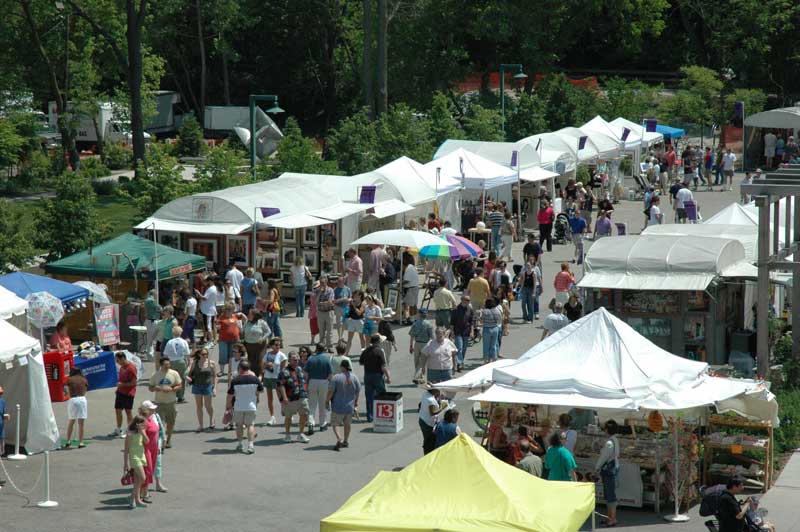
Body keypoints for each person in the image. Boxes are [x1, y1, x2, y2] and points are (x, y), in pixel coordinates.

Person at [225, 359, 261, 454]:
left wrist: (228, 406)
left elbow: (230, 394)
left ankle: (240, 444)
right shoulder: (255, 379)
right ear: (248, 368)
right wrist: (255, 395)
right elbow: (260, 390)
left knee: (239, 426)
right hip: (251, 406)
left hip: (238, 406)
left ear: (240, 368)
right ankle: (250, 446)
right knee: (250, 425)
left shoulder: (235, 380)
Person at [327, 358, 361, 451]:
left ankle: (339, 438)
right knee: (347, 424)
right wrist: (356, 403)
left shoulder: (336, 377)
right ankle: (346, 440)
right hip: (349, 407)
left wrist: (327, 400)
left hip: (337, 406)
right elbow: (357, 391)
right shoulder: (354, 377)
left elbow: (331, 391)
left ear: (342, 367)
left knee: (335, 424)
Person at [278, 352, 311, 443]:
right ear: (289, 360)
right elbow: (281, 385)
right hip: (290, 398)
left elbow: (303, 381)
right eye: (294, 358)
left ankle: (300, 434)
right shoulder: (284, 372)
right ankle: (287, 435)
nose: (296, 360)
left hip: (302, 396)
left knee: (304, 415)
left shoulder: (300, 369)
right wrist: (284, 397)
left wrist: (306, 391)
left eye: (297, 358)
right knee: (288, 417)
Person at [148, 357, 181, 448]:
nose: (168, 366)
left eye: (168, 364)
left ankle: (168, 439)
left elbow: (179, 385)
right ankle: (161, 441)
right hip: (159, 402)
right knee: (159, 423)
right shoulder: (155, 374)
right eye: (165, 365)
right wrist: (156, 388)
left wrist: (172, 389)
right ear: (161, 365)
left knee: (171, 422)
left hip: (171, 402)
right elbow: (150, 387)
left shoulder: (174, 373)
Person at [359, 334, 391, 422]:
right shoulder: (379, 351)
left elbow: (361, 363)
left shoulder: (365, 351)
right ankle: (382, 414)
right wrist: (388, 377)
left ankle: (370, 416)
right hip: (377, 376)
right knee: (381, 395)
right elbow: (383, 367)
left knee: (369, 396)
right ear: (377, 342)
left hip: (367, 375)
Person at [185, 347, 217, 431]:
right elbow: (189, 374)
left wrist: (215, 388)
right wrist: (187, 378)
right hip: (197, 386)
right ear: (199, 355)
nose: (205, 356)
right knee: (199, 406)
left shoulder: (212, 363)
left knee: (208, 405)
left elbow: (215, 376)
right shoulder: (195, 363)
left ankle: (211, 420)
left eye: (206, 354)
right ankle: (201, 425)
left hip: (207, 386)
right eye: (203, 354)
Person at [595, 420, 621, 526]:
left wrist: (596, 468)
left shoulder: (609, 443)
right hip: (614, 467)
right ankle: (609, 517)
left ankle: (612, 518)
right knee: (610, 494)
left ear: (607, 429)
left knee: (610, 495)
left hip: (609, 470)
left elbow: (603, 457)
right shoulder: (615, 440)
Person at [305, 343, 332, 435]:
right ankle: (322, 424)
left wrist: (307, 383)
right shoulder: (326, 359)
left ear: (316, 349)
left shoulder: (311, 359)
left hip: (312, 381)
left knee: (312, 405)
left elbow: (306, 374)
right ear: (323, 349)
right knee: (322, 404)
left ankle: (311, 423)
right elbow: (330, 374)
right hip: (323, 382)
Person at [123, 416, 148, 509]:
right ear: (136, 424)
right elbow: (126, 450)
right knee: (143, 478)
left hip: (141, 456)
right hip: (134, 458)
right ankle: (131, 497)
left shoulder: (142, 432)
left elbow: (147, 441)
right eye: (142, 424)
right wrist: (125, 464)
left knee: (137, 480)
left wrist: (142, 432)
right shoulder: (129, 434)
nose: (144, 425)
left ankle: (136, 500)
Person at [260, 338, 287, 426]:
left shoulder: (282, 355)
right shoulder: (267, 354)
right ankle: (272, 417)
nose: (277, 346)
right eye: (276, 345)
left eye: (279, 345)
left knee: (281, 397)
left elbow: (283, 369)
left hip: (277, 378)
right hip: (268, 377)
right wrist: (266, 366)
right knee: (270, 398)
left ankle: (286, 411)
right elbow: (262, 364)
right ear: (271, 346)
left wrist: (281, 377)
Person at [138, 401, 160, 503]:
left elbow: (157, 432)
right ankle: (143, 494)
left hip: (154, 448)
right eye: (151, 409)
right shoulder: (142, 421)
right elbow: (140, 437)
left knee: (150, 471)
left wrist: (158, 446)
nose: (153, 410)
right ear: (145, 410)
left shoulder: (152, 418)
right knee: (147, 471)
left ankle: (144, 492)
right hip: (145, 449)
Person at [162, 325, 190, 403]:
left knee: (172, 378)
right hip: (181, 361)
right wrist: (188, 362)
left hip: (171, 361)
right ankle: (181, 396)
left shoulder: (170, 342)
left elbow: (165, 354)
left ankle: (172, 394)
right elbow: (187, 353)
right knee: (181, 379)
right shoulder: (184, 341)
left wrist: (165, 362)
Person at [216, 302, 245, 377]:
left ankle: (232, 371)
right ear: (224, 310)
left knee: (233, 356)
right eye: (227, 309)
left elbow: (245, 319)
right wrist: (217, 327)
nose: (229, 311)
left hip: (235, 339)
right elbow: (216, 326)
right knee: (223, 355)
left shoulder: (235, 316)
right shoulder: (221, 317)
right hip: (223, 339)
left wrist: (242, 314)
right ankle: (222, 371)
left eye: (231, 309)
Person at [113, 352, 138, 438]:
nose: (117, 362)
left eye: (118, 360)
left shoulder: (131, 368)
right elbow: (121, 380)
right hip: (120, 392)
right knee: (118, 410)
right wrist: (118, 389)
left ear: (123, 358)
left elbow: (134, 383)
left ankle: (130, 430)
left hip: (128, 393)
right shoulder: (122, 367)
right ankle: (118, 429)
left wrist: (122, 385)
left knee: (128, 412)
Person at [63, 368, 89, 448]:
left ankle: (68, 441)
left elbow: (64, 388)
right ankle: (81, 442)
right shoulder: (84, 379)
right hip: (82, 399)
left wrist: (67, 394)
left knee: (71, 421)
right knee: (81, 423)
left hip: (73, 399)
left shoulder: (69, 379)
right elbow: (86, 388)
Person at [409, 308, 434, 383]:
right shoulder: (429, 324)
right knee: (422, 362)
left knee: (416, 362)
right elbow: (432, 337)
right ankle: (418, 377)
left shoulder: (415, 323)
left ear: (419, 314)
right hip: (425, 344)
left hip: (417, 344)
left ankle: (418, 377)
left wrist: (411, 346)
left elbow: (412, 336)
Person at [418, 385, 445, 455]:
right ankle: (427, 455)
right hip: (427, 423)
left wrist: (439, 398)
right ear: (434, 390)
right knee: (429, 441)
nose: (439, 392)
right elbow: (432, 413)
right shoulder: (431, 401)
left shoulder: (426, 394)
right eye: (438, 390)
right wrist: (442, 407)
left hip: (422, 419)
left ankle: (427, 453)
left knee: (427, 439)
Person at [242, 309, 270, 374]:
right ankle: (250, 375)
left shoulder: (262, 322)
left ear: (254, 316)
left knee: (259, 361)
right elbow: (243, 332)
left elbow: (268, 332)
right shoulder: (246, 322)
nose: (248, 315)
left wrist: (263, 338)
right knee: (250, 361)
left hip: (259, 345)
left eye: (250, 314)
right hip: (248, 345)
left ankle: (259, 376)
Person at [451, 295, 474, 371]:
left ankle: (461, 361)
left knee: (464, 348)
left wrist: (472, 331)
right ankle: (459, 363)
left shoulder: (470, 309)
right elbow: (452, 322)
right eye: (466, 300)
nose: (467, 302)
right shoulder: (456, 309)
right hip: (458, 331)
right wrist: (452, 332)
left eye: (468, 300)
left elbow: (471, 322)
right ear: (462, 300)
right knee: (459, 348)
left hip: (466, 331)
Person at [517, 255, 541, 323]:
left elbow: (534, 283)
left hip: (531, 289)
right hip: (525, 289)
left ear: (531, 266)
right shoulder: (524, 272)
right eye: (527, 266)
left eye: (529, 266)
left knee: (531, 304)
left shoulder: (534, 273)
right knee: (523, 303)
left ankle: (530, 319)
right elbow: (522, 281)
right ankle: (525, 317)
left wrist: (534, 292)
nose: (527, 267)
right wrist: (521, 289)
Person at [315, 276, 336, 351]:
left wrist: (321, 303)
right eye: (321, 283)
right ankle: (322, 347)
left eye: (323, 283)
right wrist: (320, 292)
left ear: (326, 282)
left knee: (329, 331)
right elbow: (316, 302)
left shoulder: (330, 290)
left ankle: (329, 346)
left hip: (329, 312)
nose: (322, 284)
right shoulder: (317, 290)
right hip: (320, 312)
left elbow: (330, 302)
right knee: (321, 331)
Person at [196, 276, 218, 344]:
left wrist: (198, 293)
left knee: (208, 326)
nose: (206, 282)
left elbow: (204, 298)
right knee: (209, 326)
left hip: (208, 311)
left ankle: (211, 340)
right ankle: (212, 339)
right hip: (208, 310)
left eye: (207, 281)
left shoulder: (211, 289)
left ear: (210, 281)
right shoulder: (213, 288)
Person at [480, 298, 503, 363]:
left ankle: (486, 360)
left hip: (487, 329)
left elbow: (481, 321)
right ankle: (494, 359)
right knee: (493, 345)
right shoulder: (497, 310)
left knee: (486, 345)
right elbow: (499, 320)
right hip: (495, 328)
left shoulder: (485, 311)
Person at [345, 290, 366, 355]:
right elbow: (347, 311)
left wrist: (353, 306)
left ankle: (363, 353)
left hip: (360, 321)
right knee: (349, 339)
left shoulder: (363, 303)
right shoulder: (352, 301)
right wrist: (348, 305)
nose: (354, 295)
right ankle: (346, 353)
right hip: (352, 321)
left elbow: (359, 313)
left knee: (362, 338)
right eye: (354, 294)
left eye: (356, 294)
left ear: (360, 295)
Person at [332, 276, 352, 342]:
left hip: (346, 307)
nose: (340, 282)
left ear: (344, 282)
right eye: (339, 281)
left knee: (344, 323)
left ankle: (342, 336)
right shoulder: (335, 289)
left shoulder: (348, 289)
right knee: (339, 323)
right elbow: (333, 300)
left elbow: (350, 298)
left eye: (341, 281)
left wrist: (347, 300)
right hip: (338, 307)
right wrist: (340, 300)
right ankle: (339, 337)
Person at [402, 255, 420, 323]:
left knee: (411, 305)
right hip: (415, 287)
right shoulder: (412, 267)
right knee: (414, 304)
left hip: (411, 288)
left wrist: (400, 283)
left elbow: (407, 280)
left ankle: (411, 319)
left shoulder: (408, 268)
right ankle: (414, 317)